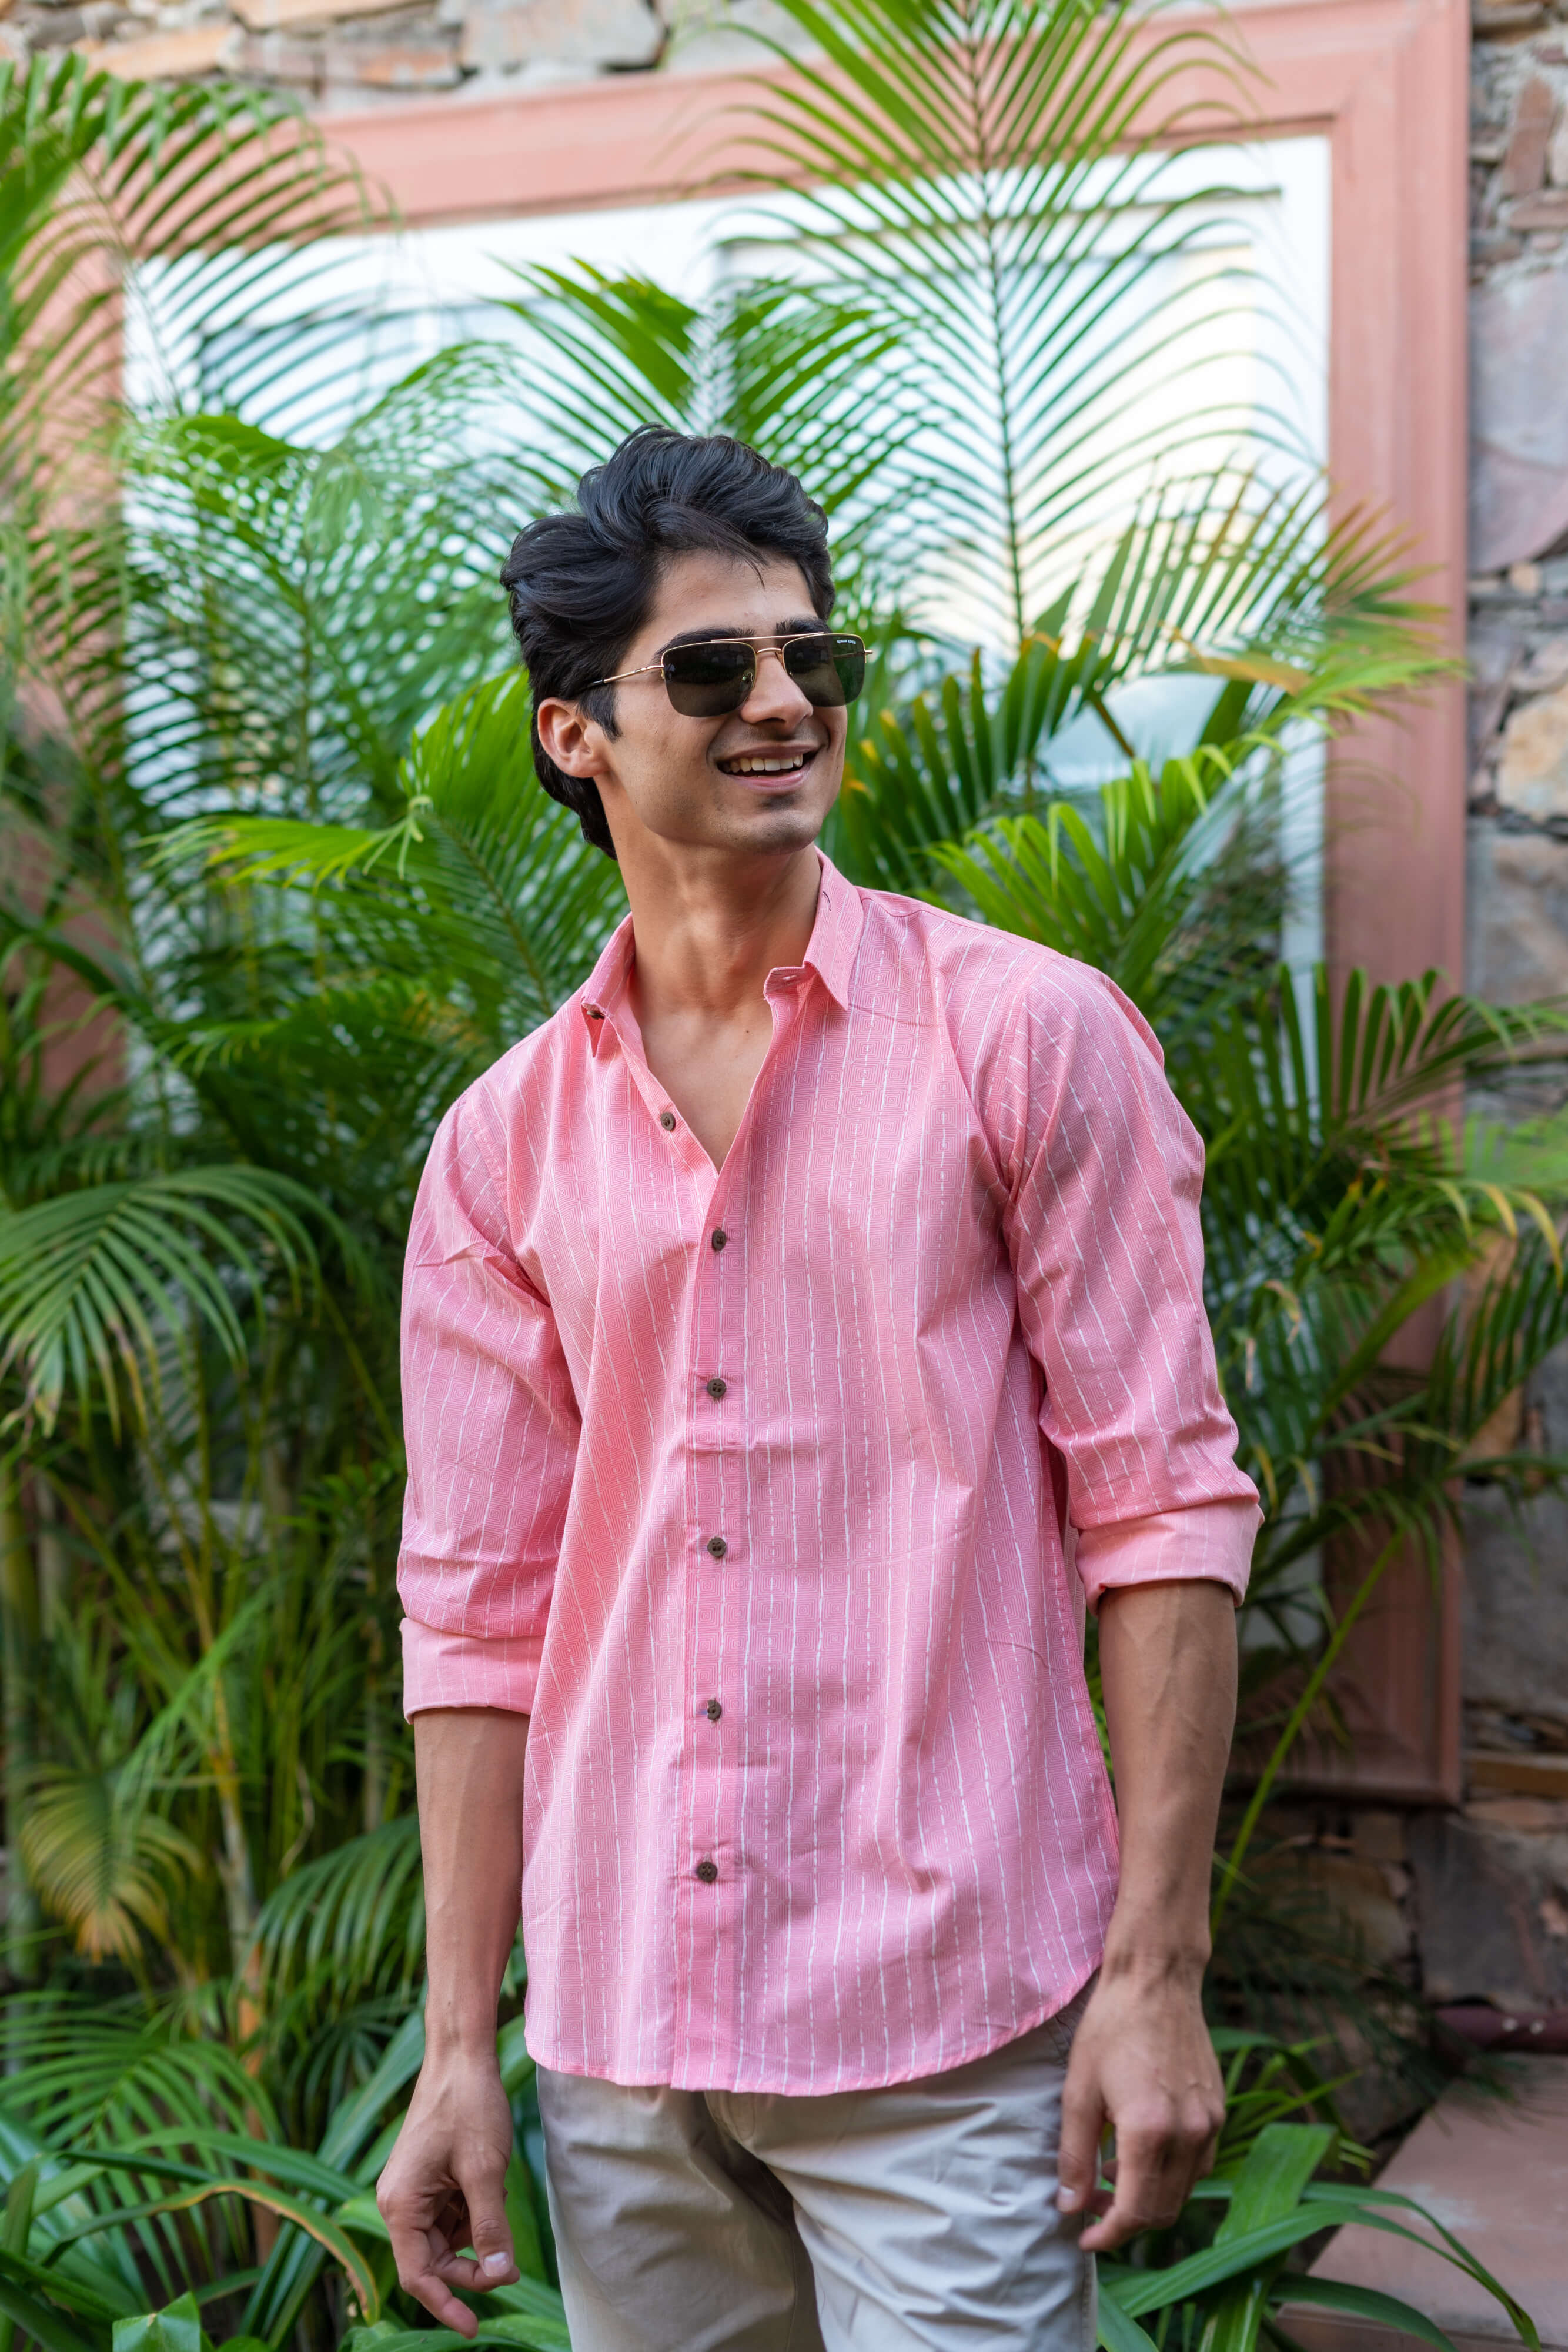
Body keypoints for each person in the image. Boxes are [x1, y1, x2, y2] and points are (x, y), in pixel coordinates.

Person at [376, 426, 1261, 2352]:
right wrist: (464, 2047)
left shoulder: (1023, 1042)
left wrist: (1156, 1969)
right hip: (619, 2043)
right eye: (712, 670)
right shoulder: (498, 1146)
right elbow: (476, 1613)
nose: (782, 701)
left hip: (941, 2021)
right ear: (574, 735)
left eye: (812, 658)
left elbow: (1165, 1507)